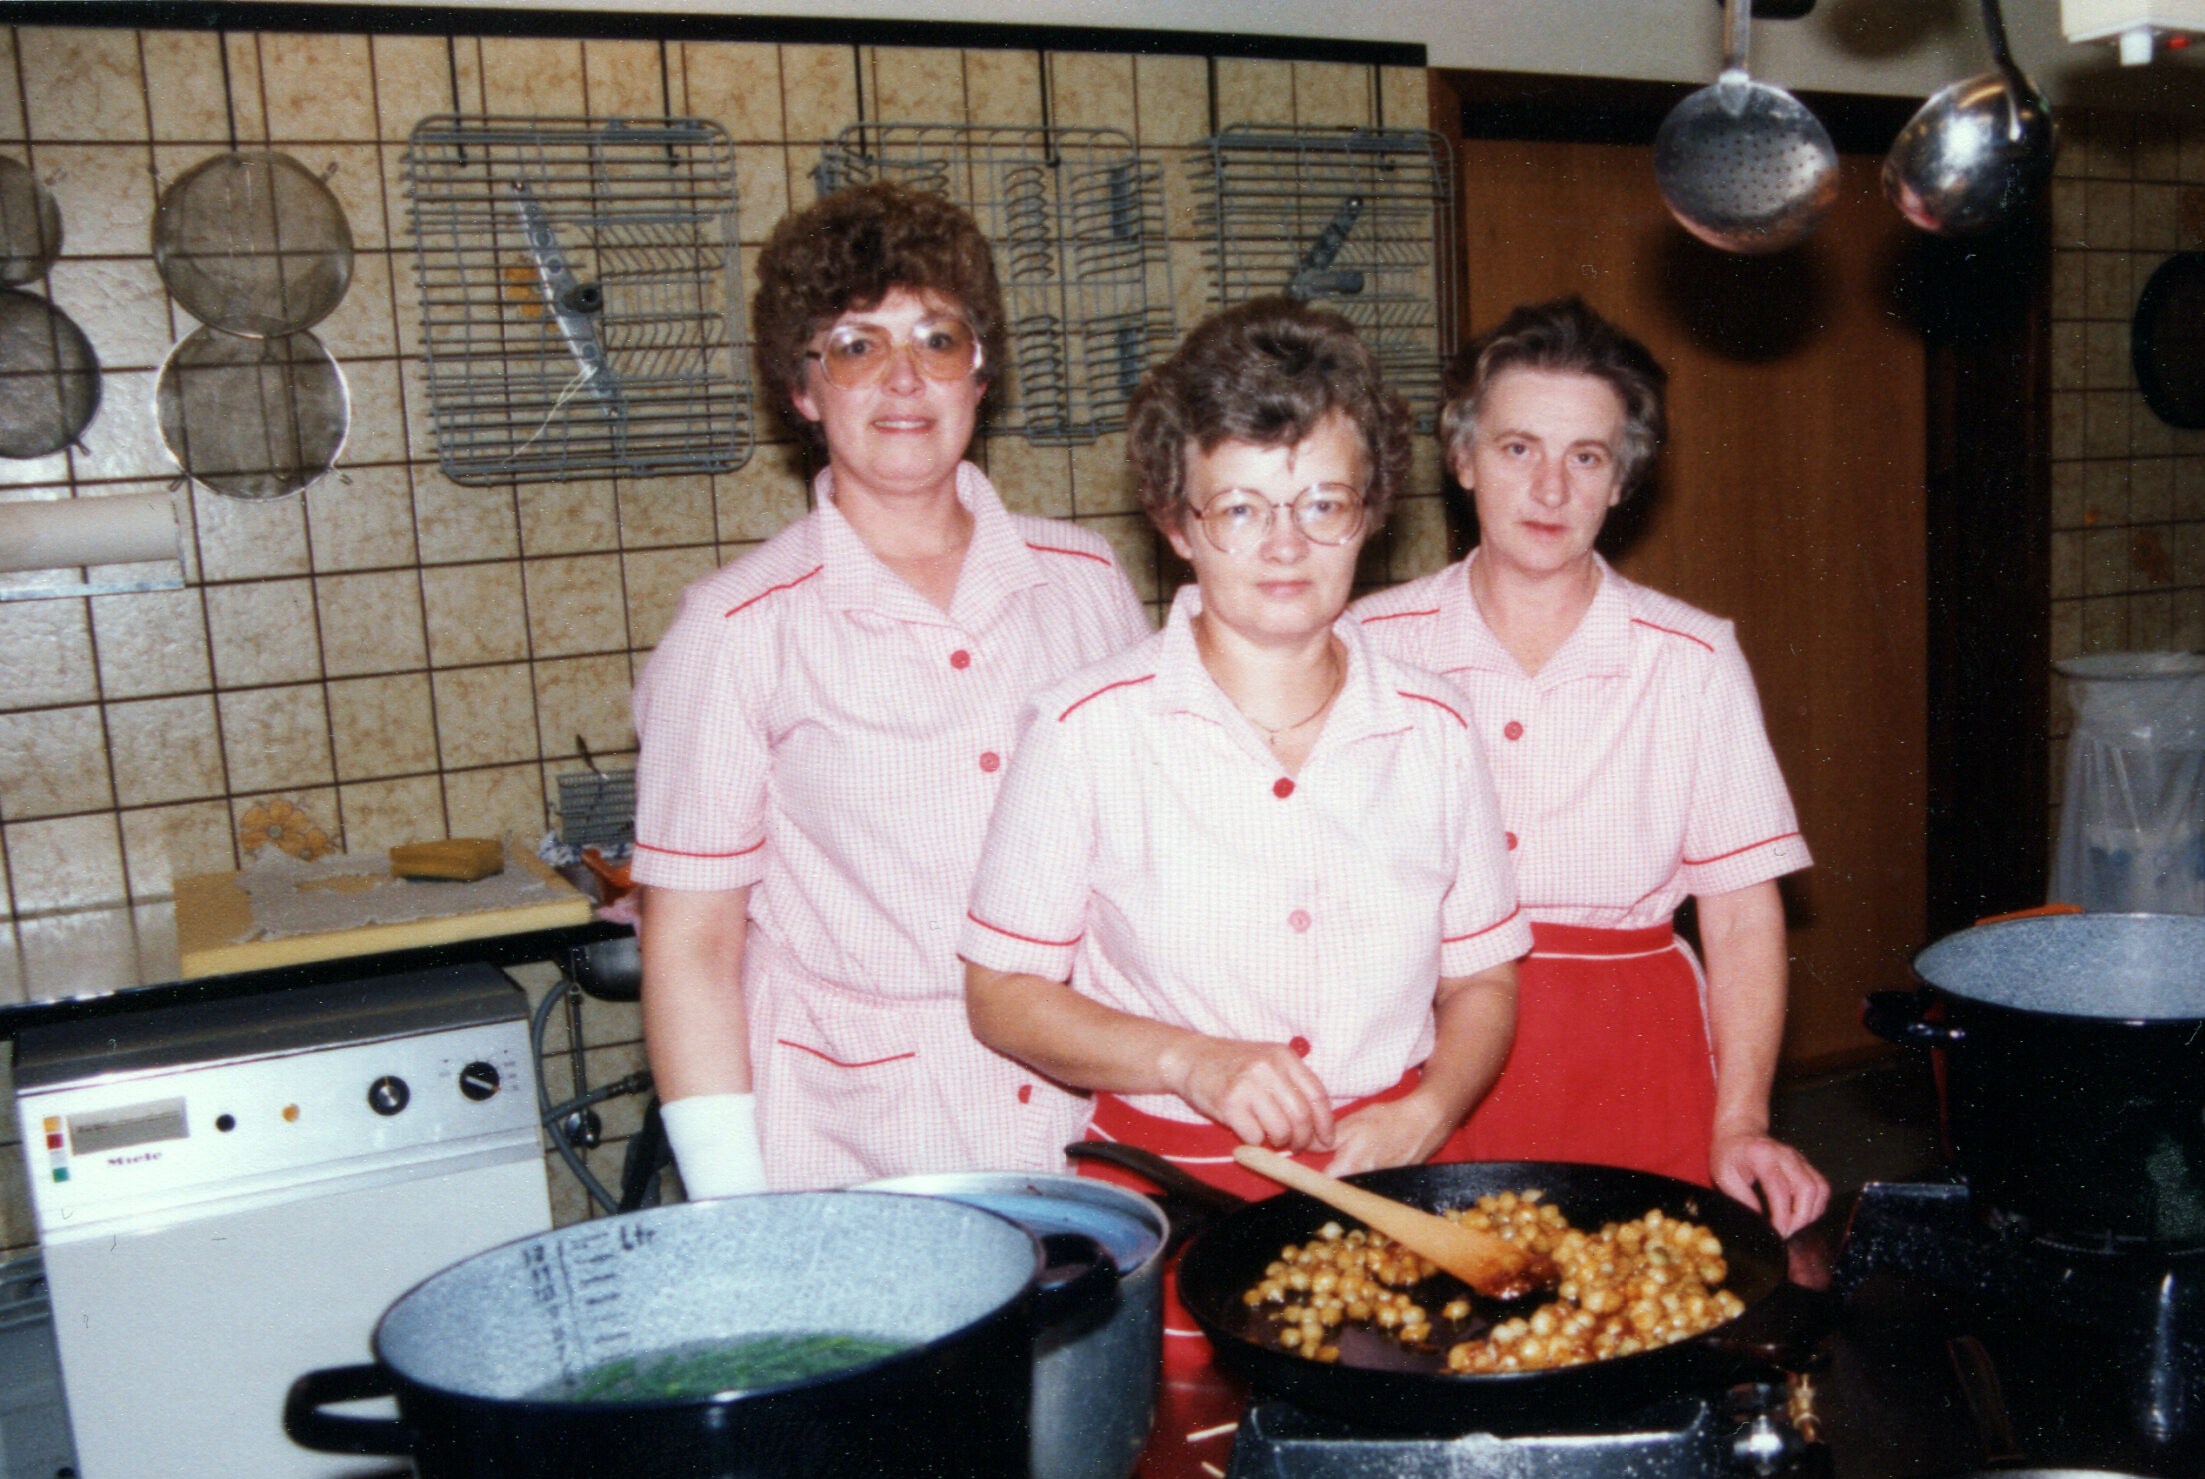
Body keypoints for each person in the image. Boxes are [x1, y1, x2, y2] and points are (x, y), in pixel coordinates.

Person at [630, 184, 1149, 1196]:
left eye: (937, 338)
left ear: (981, 370)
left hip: (1088, 1118)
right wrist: (732, 1205)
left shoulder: (1084, 580)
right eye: (857, 345)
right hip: (858, 1144)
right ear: (804, 388)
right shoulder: (739, 630)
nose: (904, 378)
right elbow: (690, 946)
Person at [960, 298, 1531, 1200]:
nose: (1286, 545)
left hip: (1394, 1169)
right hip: (1175, 1182)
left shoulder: (1439, 725)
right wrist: (1193, 1063)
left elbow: (1484, 980)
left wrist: (1432, 1106)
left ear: (1372, 511)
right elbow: (1001, 992)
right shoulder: (1084, 730)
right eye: (1240, 508)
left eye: (1323, 504)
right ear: (1179, 524)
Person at [1352, 296, 1831, 1235]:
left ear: (1623, 483)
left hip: (1634, 1058)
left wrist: (1740, 1122)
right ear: (1461, 460)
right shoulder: (1365, 645)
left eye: (1588, 457)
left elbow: (1738, 915)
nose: (1551, 490)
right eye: (1518, 448)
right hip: (1426, 1053)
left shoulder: (1690, 658)